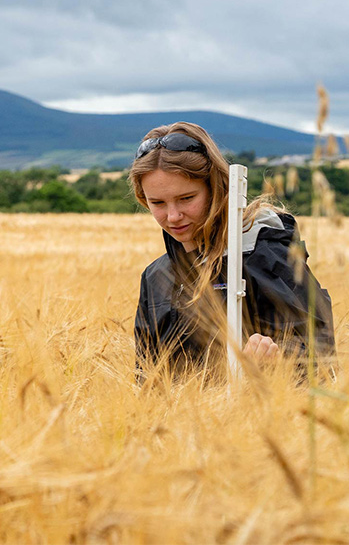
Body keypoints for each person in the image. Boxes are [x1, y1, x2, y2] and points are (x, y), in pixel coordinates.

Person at [129, 121, 334, 381]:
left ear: (216, 188)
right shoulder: (156, 276)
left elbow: (322, 359)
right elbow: (145, 379)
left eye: (186, 198)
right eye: (157, 202)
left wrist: (279, 359)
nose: (173, 216)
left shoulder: (266, 255)